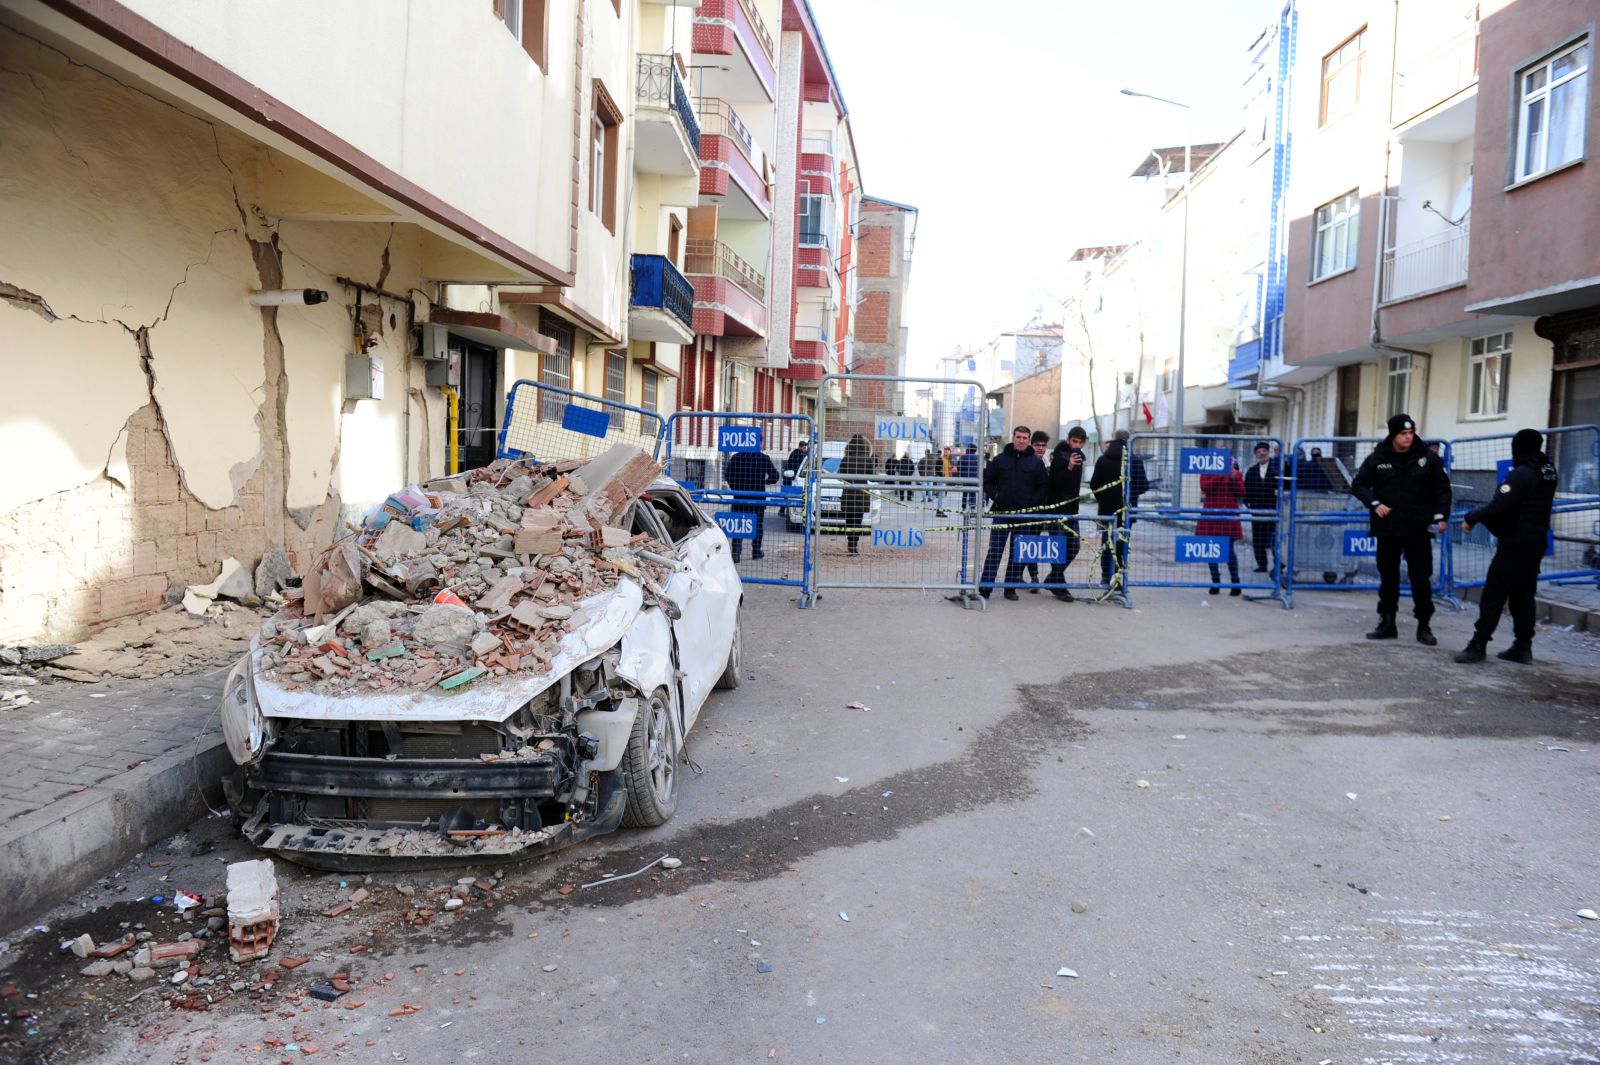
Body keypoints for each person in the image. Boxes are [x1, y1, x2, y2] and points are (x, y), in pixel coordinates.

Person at [1455, 428, 1559, 664]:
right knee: (1523, 595)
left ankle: (1478, 644)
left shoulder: (1521, 474)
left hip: (1516, 543)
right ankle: (1523, 646)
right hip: (1536, 542)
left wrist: (1471, 517)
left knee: (1494, 593)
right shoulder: (1548, 471)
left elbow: (1498, 506)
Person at [1350, 413, 1452, 644]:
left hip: (1418, 528)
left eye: (1411, 432)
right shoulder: (1378, 458)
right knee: (1388, 577)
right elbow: (1359, 484)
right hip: (1388, 528)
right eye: (1403, 433)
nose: (1408, 437)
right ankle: (1387, 622)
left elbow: (1442, 489)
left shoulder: (1427, 458)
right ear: (1393, 435)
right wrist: (1375, 503)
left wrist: (1439, 516)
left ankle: (1424, 625)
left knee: (1420, 577)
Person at [978, 425, 1047, 600]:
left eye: (1025, 438)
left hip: (1024, 516)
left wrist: (1031, 503)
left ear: (1028, 440)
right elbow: (987, 481)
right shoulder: (1000, 460)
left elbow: (1042, 487)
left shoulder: (1036, 463)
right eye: (1018, 437)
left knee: (1018, 553)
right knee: (995, 551)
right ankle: (985, 588)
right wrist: (996, 495)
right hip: (1002, 513)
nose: (1021, 441)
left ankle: (1010, 588)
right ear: (1013, 438)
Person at [1089, 429, 1148, 588]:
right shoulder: (1134, 460)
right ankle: (1117, 578)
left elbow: (1094, 484)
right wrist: (1129, 497)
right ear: (1128, 440)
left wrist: (1104, 499)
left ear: (1114, 439)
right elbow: (1143, 485)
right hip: (1126, 512)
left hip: (1107, 511)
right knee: (1121, 544)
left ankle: (1104, 577)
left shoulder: (1103, 460)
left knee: (1106, 544)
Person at [1041, 427, 1089, 601]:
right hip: (1057, 511)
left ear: (1084, 443)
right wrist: (1068, 467)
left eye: (1079, 442)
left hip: (1071, 510)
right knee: (1059, 548)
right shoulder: (1060, 456)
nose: (1076, 445)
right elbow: (1057, 483)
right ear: (1068, 439)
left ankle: (1054, 577)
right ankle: (1058, 584)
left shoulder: (1078, 458)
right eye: (1074, 441)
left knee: (1074, 546)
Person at [1197, 453, 1245, 596]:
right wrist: (1219, 475)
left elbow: (1241, 492)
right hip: (1211, 516)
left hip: (1228, 516)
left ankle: (1235, 583)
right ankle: (1215, 582)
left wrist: (1234, 477)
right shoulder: (1207, 471)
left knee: (1229, 551)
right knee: (1212, 551)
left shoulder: (1235, 472)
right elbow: (1205, 487)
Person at [723, 446, 779, 563]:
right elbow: (775, 476)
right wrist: (763, 482)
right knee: (757, 525)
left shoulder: (736, 457)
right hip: (757, 498)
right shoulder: (763, 458)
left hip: (739, 497)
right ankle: (756, 551)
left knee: (738, 524)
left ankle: (736, 552)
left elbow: (728, 476)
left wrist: (736, 488)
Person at [1243, 441, 1280, 575]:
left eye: (1264, 451)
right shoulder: (1252, 471)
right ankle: (1262, 565)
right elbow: (1245, 489)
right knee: (1258, 539)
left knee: (1276, 538)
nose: (1261, 454)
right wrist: (1249, 503)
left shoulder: (1278, 468)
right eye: (1258, 452)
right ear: (1255, 454)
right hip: (1257, 511)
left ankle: (1278, 565)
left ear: (1268, 452)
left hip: (1275, 510)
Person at [1022, 430, 1052, 589]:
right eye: (1037, 445)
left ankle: (1028, 576)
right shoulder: (1027, 461)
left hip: (1042, 511)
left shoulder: (1047, 463)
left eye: (1043, 445)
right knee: (1025, 544)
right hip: (1027, 510)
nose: (1040, 448)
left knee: (1033, 545)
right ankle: (1032, 577)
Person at [839, 434, 875, 555]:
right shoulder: (868, 459)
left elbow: (840, 476)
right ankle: (854, 545)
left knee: (849, 520)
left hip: (848, 494)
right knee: (858, 521)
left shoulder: (846, 459)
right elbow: (871, 477)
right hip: (862, 494)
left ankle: (850, 543)